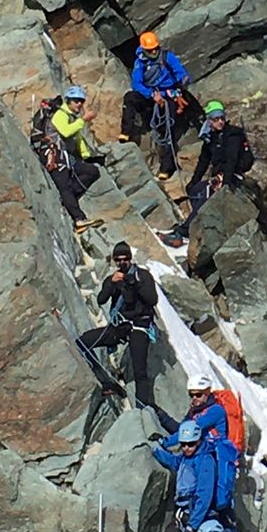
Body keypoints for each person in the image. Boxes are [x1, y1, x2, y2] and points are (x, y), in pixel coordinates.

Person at [77, 241, 158, 407]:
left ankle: (143, 409)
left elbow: (152, 299)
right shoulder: (114, 279)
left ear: (130, 259)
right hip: (120, 326)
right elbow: (101, 299)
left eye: (125, 259)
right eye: (118, 260)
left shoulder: (142, 276)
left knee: (139, 371)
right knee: (83, 342)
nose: (122, 263)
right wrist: (112, 284)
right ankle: (106, 381)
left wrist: (134, 283)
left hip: (139, 327)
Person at [164, 102, 254, 241]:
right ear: (209, 120)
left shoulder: (233, 136)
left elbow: (231, 160)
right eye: (215, 119)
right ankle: (199, 225)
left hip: (233, 176)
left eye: (222, 118)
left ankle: (185, 231)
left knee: (206, 192)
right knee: (195, 191)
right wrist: (193, 182)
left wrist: (225, 184)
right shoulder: (210, 137)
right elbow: (203, 162)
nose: (220, 122)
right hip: (220, 176)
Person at [120, 31, 194, 177]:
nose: (154, 51)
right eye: (150, 50)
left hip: (169, 94)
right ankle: (126, 131)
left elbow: (180, 72)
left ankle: (167, 166)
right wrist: (152, 95)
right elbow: (137, 83)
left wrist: (182, 83)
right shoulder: (140, 62)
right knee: (130, 98)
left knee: (168, 124)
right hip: (150, 94)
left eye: (155, 48)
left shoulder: (167, 57)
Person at [32, 87, 102, 225]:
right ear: (68, 101)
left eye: (81, 101)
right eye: (76, 101)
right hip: (53, 155)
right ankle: (78, 218)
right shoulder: (60, 114)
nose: (79, 104)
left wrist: (86, 156)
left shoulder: (71, 117)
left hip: (66, 157)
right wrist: (83, 120)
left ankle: (69, 199)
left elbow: (78, 138)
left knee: (92, 171)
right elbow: (66, 132)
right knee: (64, 186)